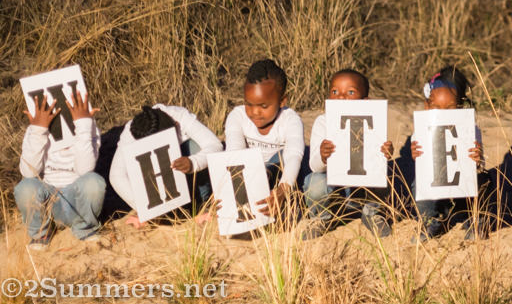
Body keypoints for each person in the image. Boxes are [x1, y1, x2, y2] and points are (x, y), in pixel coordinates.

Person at [302, 69, 394, 239]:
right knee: (314, 183)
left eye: (350, 92)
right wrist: (323, 156)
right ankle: (322, 217)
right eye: (335, 91)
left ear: (365, 101)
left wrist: (385, 152)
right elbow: (314, 166)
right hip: (334, 191)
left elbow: (376, 161)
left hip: (361, 189)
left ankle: (372, 213)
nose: (341, 97)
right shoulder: (323, 122)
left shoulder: (373, 120)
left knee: (386, 173)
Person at [14, 88, 104, 250]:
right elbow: (28, 172)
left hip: (77, 204)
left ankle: (84, 228)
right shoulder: (34, 130)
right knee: (25, 187)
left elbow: (85, 169)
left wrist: (83, 125)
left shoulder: (88, 126)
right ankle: (42, 233)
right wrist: (38, 130)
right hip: (48, 205)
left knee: (94, 182)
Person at [109, 104, 223, 228]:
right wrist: (142, 208)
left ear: (176, 126)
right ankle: (159, 214)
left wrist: (193, 163)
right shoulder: (132, 131)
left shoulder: (180, 116)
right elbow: (116, 175)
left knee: (196, 147)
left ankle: (201, 206)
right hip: (154, 186)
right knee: (136, 162)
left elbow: (215, 145)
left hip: (189, 178)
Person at [410, 66, 488, 242]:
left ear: (460, 107)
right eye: (436, 107)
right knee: (418, 184)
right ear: (427, 106)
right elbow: (421, 162)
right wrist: (415, 154)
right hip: (437, 187)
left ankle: (476, 221)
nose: (442, 113)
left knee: (483, 181)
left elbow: (479, 165)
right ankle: (431, 221)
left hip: (462, 187)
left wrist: (477, 158)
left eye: (450, 108)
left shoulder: (471, 129)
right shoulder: (422, 129)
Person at [223, 59, 305, 218]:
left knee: (285, 159)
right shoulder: (237, 116)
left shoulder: (290, 120)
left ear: (282, 101)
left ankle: (291, 205)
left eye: (264, 106)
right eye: (249, 104)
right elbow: (234, 154)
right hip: (253, 175)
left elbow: (294, 156)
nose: (255, 112)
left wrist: (284, 189)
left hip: (285, 179)